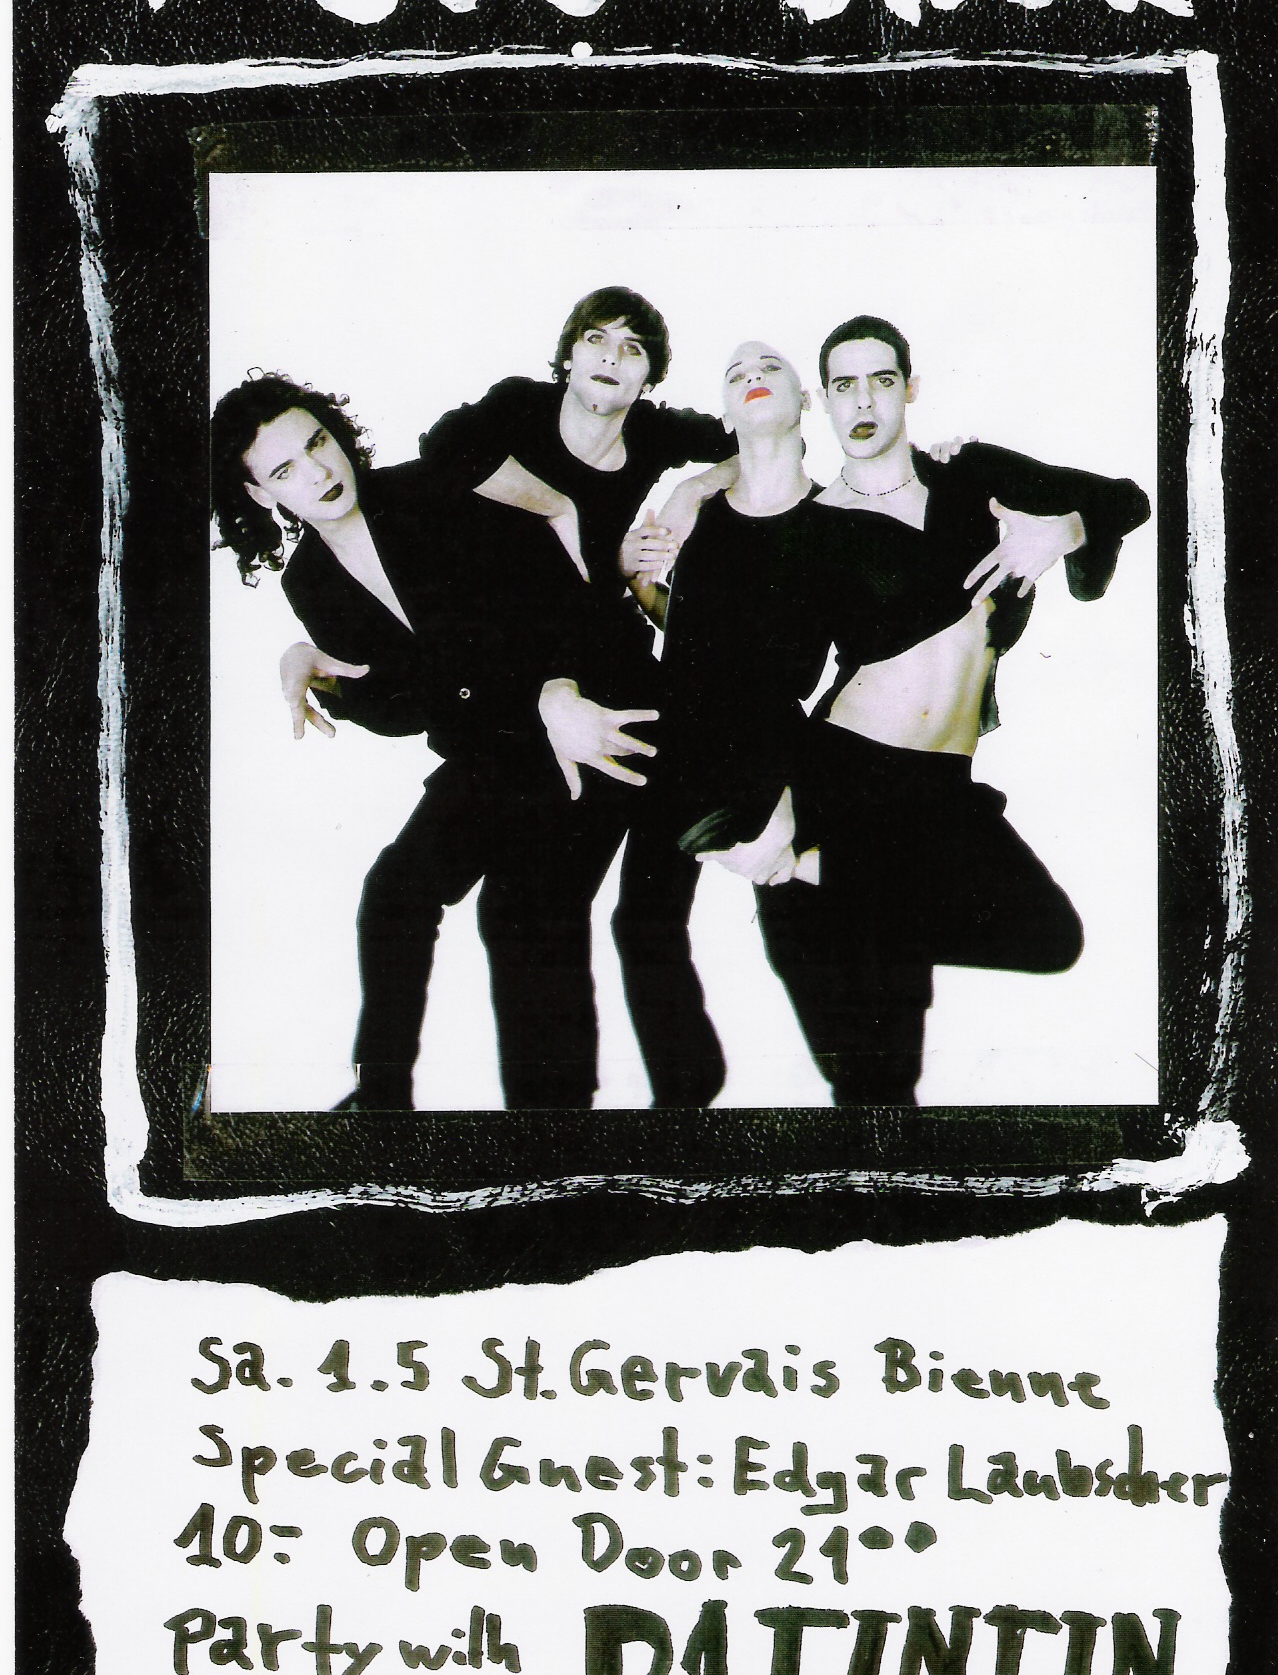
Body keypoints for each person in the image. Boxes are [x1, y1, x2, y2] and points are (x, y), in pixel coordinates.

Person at [680, 315, 1151, 1107]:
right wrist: (778, 808)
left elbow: (1125, 500)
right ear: (823, 402)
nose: (864, 400)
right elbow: (760, 682)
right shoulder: (808, 527)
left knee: (1047, 935)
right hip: (843, 783)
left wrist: (1061, 532)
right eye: (844, 385)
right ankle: (804, 871)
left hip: (938, 794)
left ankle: (816, 876)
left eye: (882, 380)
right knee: (876, 1083)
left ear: (910, 389)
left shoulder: (972, 476)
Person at [211, 372, 659, 1111]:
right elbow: (403, 710)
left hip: (595, 702)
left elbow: (555, 595)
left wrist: (557, 691)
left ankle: (553, 1130)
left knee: (521, 910)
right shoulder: (310, 580)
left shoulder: (428, 488)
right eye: (284, 470)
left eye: (317, 443)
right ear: (261, 494)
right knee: (394, 894)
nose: (317, 472)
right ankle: (380, 1103)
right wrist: (319, 671)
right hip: (497, 744)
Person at [417, 285, 740, 1107]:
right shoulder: (519, 408)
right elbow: (440, 446)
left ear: (646, 379)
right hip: (519, 687)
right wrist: (556, 505)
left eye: (633, 350)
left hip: (612, 682)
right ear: (569, 355)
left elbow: (759, 435)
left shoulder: (655, 434)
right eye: (597, 339)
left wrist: (692, 490)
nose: (611, 357)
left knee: (538, 907)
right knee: (511, 908)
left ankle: (578, 1123)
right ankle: (558, 1127)